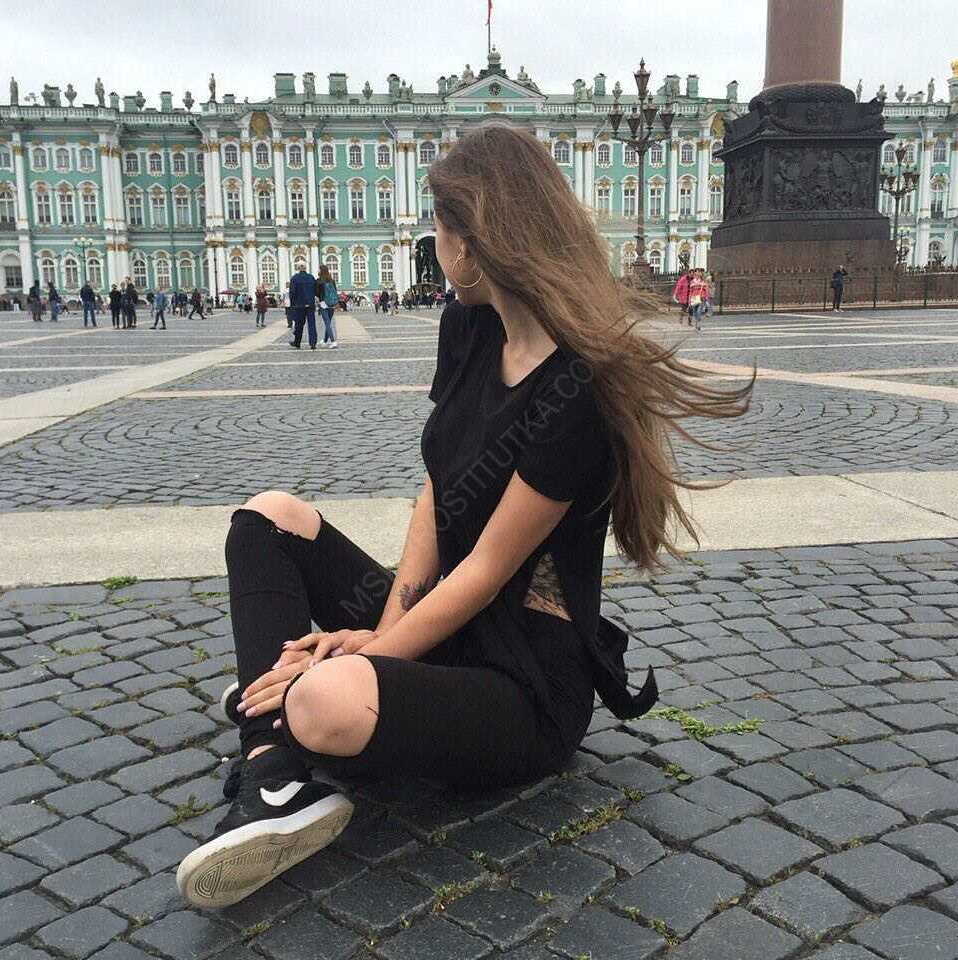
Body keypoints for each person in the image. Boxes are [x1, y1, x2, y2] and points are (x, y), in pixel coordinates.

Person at [174, 122, 753, 910]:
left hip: (523, 682)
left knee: (324, 699)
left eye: (438, 227)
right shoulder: (470, 328)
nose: (433, 244)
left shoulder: (575, 387)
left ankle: (278, 706)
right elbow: (435, 497)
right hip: (445, 627)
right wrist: (384, 628)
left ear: (474, 243)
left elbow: (484, 572)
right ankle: (274, 771)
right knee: (267, 517)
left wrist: (376, 653)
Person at [289, 263, 318, 350]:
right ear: (305, 268)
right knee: (311, 324)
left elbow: (292, 292)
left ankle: (297, 342)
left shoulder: (294, 278)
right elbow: (315, 290)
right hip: (310, 304)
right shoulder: (311, 277)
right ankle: (313, 343)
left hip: (299, 304)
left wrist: (292, 305)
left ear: (298, 268)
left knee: (299, 324)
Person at [318, 265, 338, 349]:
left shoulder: (319, 281)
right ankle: (325, 341)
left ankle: (333, 342)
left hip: (323, 304)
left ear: (321, 271)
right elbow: (335, 291)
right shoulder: (332, 280)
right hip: (332, 304)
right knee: (328, 323)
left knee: (327, 323)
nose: (318, 271)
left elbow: (317, 293)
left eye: (318, 269)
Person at [687, 268, 708, 333]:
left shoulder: (703, 281)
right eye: (696, 272)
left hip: (701, 298)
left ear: (700, 274)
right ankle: (697, 325)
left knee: (699, 312)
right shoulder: (692, 282)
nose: (698, 273)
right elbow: (690, 291)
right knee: (695, 312)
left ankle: (698, 324)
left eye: (699, 272)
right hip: (694, 298)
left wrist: (706, 297)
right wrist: (689, 299)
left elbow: (706, 290)